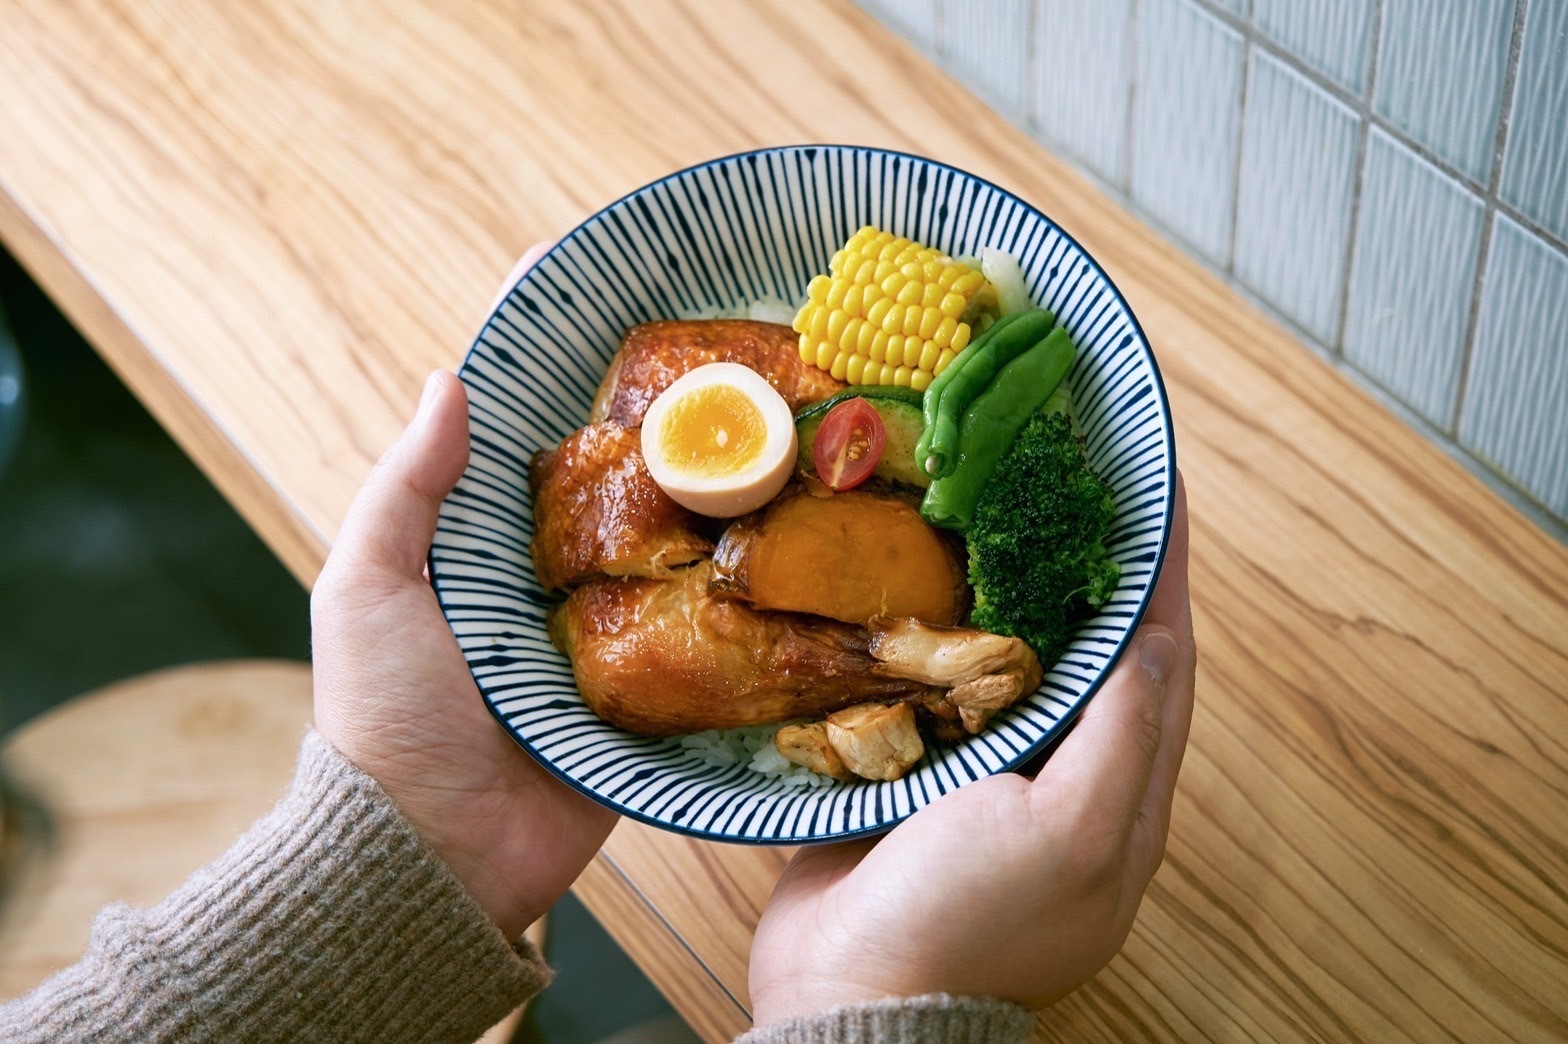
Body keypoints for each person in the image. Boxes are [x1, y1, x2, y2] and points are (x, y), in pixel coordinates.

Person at [0, 255, 1196, 1043]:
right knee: (625, 646)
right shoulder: (618, 585)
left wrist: (414, 838)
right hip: (708, 649)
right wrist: (861, 1006)